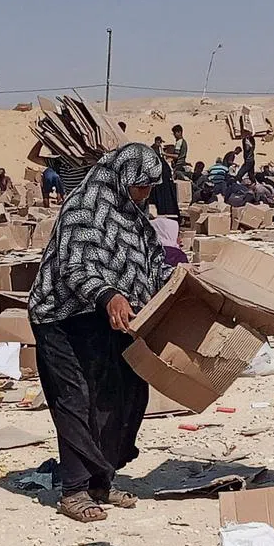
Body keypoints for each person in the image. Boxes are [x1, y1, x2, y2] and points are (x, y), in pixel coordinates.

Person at [27, 143, 170, 523]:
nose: (146, 193)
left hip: (104, 318)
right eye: (141, 185)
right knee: (74, 398)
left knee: (121, 394)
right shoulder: (82, 208)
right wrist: (109, 294)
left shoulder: (134, 214)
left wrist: (178, 285)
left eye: (150, 187)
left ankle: (101, 480)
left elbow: (152, 261)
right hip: (61, 316)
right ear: (123, 177)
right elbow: (76, 267)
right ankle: (73, 489)